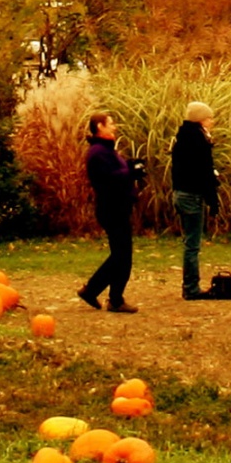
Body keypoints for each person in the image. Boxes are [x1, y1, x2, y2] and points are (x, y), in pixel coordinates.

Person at [78, 112, 143, 313]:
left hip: (117, 208)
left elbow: (118, 173)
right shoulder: (98, 153)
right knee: (122, 256)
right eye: (111, 124)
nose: (115, 127)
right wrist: (131, 172)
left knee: (121, 255)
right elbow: (109, 180)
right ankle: (107, 296)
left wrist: (131, 166)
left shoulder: (106, 151)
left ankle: (100, 292)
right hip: (112, 209)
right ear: (99, 126)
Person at [172, 99, 220, 300]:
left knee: (189, 241)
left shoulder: (181, 139)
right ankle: (191, 288)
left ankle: (190, 285)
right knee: (193, 244)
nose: (211, 122)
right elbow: (204, 172)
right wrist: (213, 200)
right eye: (208, 118)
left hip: (180, 194)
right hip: (192, 196)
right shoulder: (199, 141)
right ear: (200, 120)